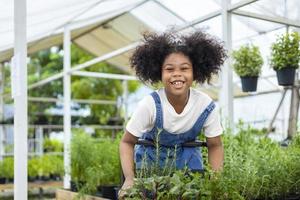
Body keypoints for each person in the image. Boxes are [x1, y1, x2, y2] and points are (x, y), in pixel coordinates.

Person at [119, 30, 226, 194]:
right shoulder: (150, 105)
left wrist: (217, 183)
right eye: (169, 69)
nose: (177, 74)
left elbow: (215, 145)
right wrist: (129, 178)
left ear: (195, 72)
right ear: (159, 73)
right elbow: (127, 142)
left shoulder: (205, 105)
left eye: (184, 68)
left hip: (189, 170)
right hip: (151, 169)